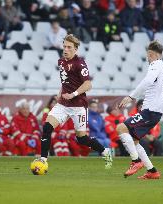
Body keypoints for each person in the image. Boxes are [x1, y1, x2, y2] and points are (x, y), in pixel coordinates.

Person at [40, 34, 113, 169]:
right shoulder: (61, 62)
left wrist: (73, 94)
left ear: (75, 49)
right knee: (47, 127)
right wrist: (59, 96)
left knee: (81, 138)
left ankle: (105, 151)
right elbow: (65, 82)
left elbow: (88, 85)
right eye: (64, 47)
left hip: (78, 106)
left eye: (69, 47)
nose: (65, 49)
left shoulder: (80, 64)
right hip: (63, 104)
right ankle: (43, 159)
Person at [116, 40, 163, 179]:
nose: (147, 58)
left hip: (150, 111)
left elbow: (147, 81)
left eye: (148, 55)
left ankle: (135, 161)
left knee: (121, 128)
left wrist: (131, 96)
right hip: (155, 112)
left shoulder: (155, 65)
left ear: (151, 54)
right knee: (134, 141)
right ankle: (152, 171)